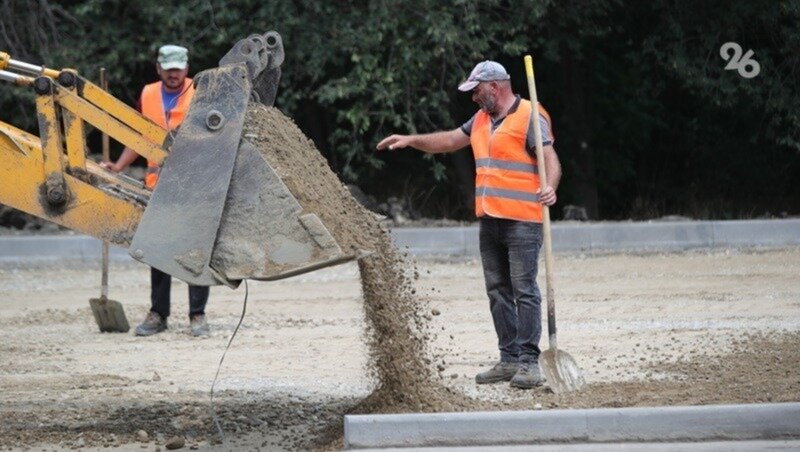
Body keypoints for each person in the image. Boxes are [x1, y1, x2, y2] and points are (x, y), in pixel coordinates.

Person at [377, 60, 561, 389]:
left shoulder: (530, 116)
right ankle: (508, 360)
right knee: (498, 292)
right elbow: (449, 141)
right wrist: (410, 140)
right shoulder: (480, 119)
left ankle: (529, 363)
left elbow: (550, 159)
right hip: (489, 219)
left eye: (477, 90)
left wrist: (551, 187)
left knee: (525, 292)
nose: (474, 96)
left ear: (495, 86)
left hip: (522, 220)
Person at [102, 45, 210, 337]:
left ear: (187, 69)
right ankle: (158, 314)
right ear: (158, 68)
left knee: (194, 251)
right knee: (158, 250)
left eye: (178, 69)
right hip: (159, 189)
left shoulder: (200, 92)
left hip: (194, 186)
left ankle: (197, 316)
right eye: (168, 68)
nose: (173, 74)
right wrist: (119, 167)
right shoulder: (148, 94)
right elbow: (139, 137)